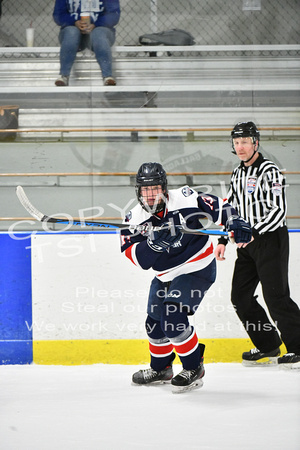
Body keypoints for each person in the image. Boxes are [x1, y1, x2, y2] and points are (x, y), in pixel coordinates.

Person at [120, 162, 252, 393]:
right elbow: (138, 259)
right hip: (165, 275)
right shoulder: (135, 219)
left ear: (164, 187)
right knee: (154, 324)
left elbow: (219, 207)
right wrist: (153, 245)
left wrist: (234, 222)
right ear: (138, 191)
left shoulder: (185, 198)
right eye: (145, 190)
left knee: (172, 319)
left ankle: (193, 368)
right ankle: (161, 368)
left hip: (197, 267)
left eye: (155, 188)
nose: (150, 195)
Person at [214, 121, 300, 369]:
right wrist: (222, 238)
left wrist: (253, 230)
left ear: (256, 143)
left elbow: (279, 211)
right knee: (240, 297)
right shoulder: (237, 173)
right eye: (237, 142)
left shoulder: (270, 171)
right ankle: (268, 345)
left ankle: (298, 347)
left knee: (276, 297)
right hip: (246, 243)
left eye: (245, 142)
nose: (240, 147)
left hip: (270, 240)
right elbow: (231, 209)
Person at [53, 0, 120, 87]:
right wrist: (74, 22)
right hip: (73, 34)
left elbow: (113, 15)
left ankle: (107, 76)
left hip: (100, 31)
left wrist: (96, 24)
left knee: (98, 33)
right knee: (71, 32)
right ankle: (64, 76)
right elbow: (58, 15)